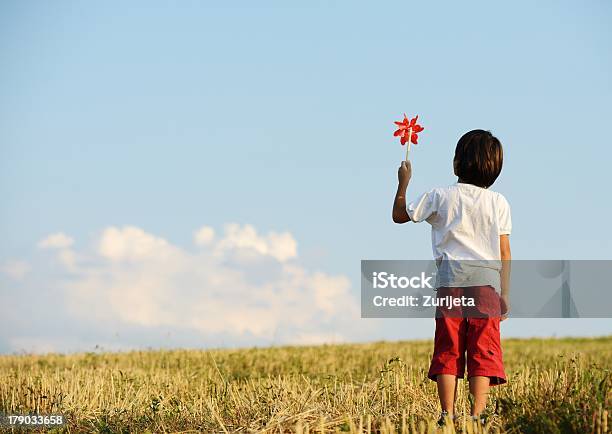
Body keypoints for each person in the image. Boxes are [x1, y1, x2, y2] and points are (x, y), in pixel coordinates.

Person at [392, 129, 512, 425]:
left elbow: (399, 215)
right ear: (495, 168)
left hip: (450, 284)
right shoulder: (499, 202)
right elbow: (505, 253)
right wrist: (505, 295)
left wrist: (403, 183)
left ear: (457, 162)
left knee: (449, 348)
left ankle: (447, 414)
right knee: (483, 350)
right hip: (486, 285)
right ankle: (477, 416)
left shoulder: (439, 196)